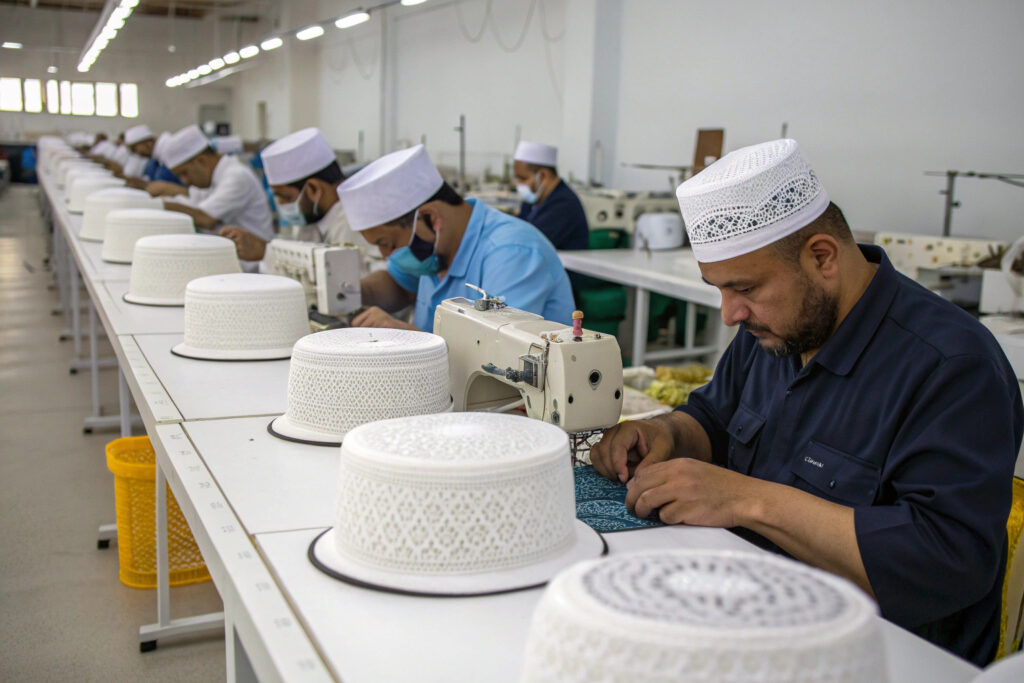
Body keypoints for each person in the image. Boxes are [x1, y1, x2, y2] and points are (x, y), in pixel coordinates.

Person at [589, 138, 1023, 666]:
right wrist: (667, 432)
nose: (729, 314)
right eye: (719, 289)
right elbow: (714, 418)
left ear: (822, 257)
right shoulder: (774, 331)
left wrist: (746, 499)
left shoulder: (952, 367)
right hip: (750, 609)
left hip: (881, 657)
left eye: (745, 289)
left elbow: (948, 562)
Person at [338, 144, 575, 332]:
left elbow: (497, 357)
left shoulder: (512, 252)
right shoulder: (435, 248)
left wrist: (406, 337)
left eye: (387, 244)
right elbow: (399, 285)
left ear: (430, 217)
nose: (386, 255)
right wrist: (347, 292)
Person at [220, 127, 368, 267]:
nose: (281, 204)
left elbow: (340, 278)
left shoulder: (353, 224)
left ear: (314, 189)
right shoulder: (313, 217)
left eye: (286, 197)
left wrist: (266, 252)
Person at [152, 124, 273, 245]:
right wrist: (164, 198)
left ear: (201, 161)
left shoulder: (236, 176)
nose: (184, 181)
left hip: (252, 255)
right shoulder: (210, 179)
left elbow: (206, 219)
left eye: (184, 173)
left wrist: (157, 205)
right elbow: (193, 203)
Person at [512, 141, 590, 252]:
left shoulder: (564, 205)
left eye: (523, 178)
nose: (519, 184)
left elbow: (527, 241)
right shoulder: (534, 200)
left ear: (543, 176)